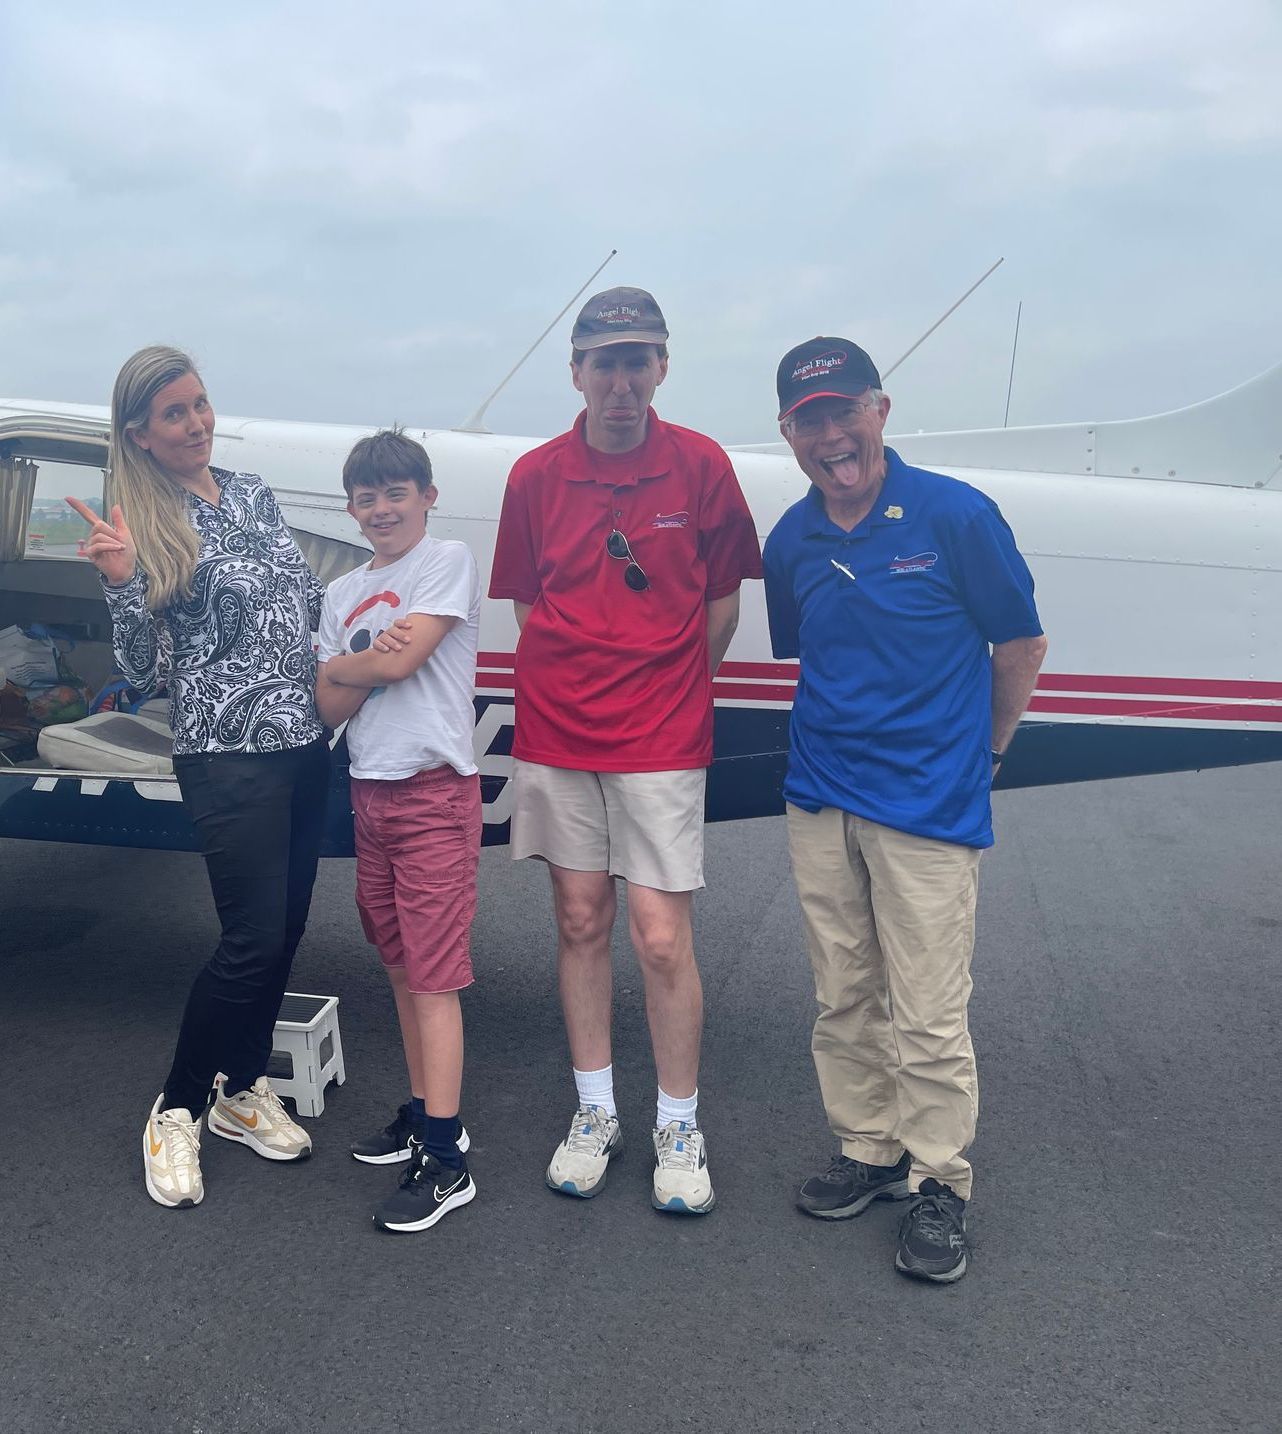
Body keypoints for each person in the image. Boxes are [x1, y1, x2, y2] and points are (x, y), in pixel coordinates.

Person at [763, 336, 1048, 1282]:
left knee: (928, 1011)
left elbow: (1021, 644)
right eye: (811, 421)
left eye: (847, 411)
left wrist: (988, 751)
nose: (832, 435)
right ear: (788, 434)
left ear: (882, 410)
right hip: (821, 795)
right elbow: (808, 650)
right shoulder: (792, 538)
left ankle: (940, 1185)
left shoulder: (957, 516)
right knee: (843, 993)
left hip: (927, 804)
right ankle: (869, 1149)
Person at [489, 286, 762, 1214]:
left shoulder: (702, 466)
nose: (620, 381)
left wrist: (675, 684)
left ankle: (678, 1121)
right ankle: (595, 1109)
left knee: (657, 934)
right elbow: (531, 606)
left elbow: (722, 599)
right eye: (604, 361)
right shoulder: (533, 476)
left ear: (661, 369)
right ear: (577, 371)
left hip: (662, 734)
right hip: (560, 731)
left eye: (637, 360)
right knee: (576, 920)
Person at [69, 345, 330, 1210]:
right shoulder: (141, 521)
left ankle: (240, 1091)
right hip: (226, 751)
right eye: (175, 414)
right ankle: (176, 1106)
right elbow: (141, 669)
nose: (196, 424)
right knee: (248, 938)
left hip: (303, 740)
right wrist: (117, 583)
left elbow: (300, 604)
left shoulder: (252, 492)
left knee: (285, 932)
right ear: (139, 434)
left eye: (201, 404)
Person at [315, 428, 481, 1232]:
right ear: (350, 508)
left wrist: (359, 664)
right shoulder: (342, 593)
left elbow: (396, 666)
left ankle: (448, 1161)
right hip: (369, 793)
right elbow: (329, 704)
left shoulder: (445, 561)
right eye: (367, 497)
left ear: (427, 496)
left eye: (396, 493)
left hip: (433, 794)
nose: (382, 509)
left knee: (434, 975)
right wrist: (362, 662)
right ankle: (423, 1110)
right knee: (397, 962)